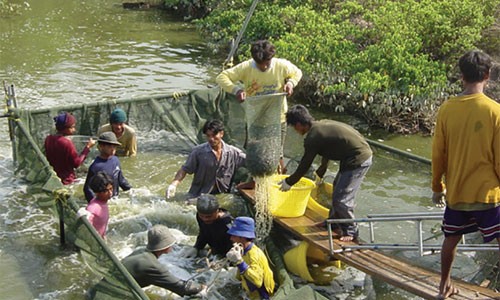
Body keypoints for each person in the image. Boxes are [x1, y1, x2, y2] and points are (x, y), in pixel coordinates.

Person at [431, 50, 500, 300]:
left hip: (457, 192)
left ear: (462, 76)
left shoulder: (447, 109)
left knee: (451, 238)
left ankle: (443, 287)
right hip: (487, 193)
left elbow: (438, 153)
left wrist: (437, 186)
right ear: (487, 75)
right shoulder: (495, 111)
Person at [279, 104, 372, 242]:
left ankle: (351, 231)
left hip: (358, 159)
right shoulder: (319, 125)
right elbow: (328, 145)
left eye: (294, 127)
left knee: (342, 198)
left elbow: (305, 163)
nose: (295, 130)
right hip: (350, 156)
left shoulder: (313, 137)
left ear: (299, 124)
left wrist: (289, 181)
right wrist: (323, 166)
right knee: (337, 190)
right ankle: (334, 223)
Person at [216, 39, 302, 173]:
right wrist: (236, 90)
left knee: (277, 151)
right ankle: (254, 181)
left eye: (266, 63)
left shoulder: (281, 65)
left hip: (277, 118)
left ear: (271, 58)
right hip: (255, 118)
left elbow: (297, 73)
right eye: (260, 64)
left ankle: (278, 175)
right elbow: (222, 77)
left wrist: (290, 83)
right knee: (254, 151)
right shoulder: (246, 67)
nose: (264, 67)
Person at [165, 119, 246, 200]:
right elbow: (184, 169)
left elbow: (254, 165)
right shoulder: (198, 152)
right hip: (198, 196)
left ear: (221, 134)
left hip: (223, 196)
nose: (211, 139)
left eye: (214, 135)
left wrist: (249, 184)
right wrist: (174, 184)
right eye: (208, 135)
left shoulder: (234, 153)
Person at [122, 224, 207, 297]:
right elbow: (181, 287)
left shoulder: (140, 251)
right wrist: (201, 288)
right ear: (167, 246)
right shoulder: (151, 265)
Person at [226, 216, 275, 300]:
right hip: (251, 293)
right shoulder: (243, 251)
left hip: (262, 296)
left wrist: (240, 262)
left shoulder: (254, 255)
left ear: (242, 237)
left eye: (234, 235)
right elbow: (240, 274)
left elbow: (257, 282)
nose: (231, 238)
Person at [44, 112, 96, 184]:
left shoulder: (48, 139)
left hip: (53, 178)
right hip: (67, 180)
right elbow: (76, 163)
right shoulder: (66, 143)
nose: (74, 130)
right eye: (72, 127)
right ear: (64, 128)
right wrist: (87, 148)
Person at [83, 132, 132, 202]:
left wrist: (131, 191)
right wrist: (96, 203)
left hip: (115, 199)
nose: (112, 149)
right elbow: (87, 189)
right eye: (109, 146)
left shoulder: (116, 160)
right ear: (101, 146)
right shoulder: (95, 166)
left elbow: (121, 180)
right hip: (105, 201)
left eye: (114, 146)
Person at [77, 171, 114, 238]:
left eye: (111, 189)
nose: (110, 193)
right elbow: (85, 231)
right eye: (105, 191)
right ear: (97, 192)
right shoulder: (93, 208)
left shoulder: (103, 202)